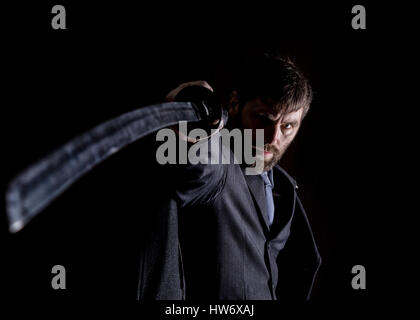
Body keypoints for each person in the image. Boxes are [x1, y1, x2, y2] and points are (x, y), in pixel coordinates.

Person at [136, 53, 321, 301]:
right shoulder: (221, 163)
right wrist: (183, 111)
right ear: (235, 104)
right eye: (264, 118)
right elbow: (192, 158)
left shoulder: (284, 186)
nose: (274, 137)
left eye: (287, 125)